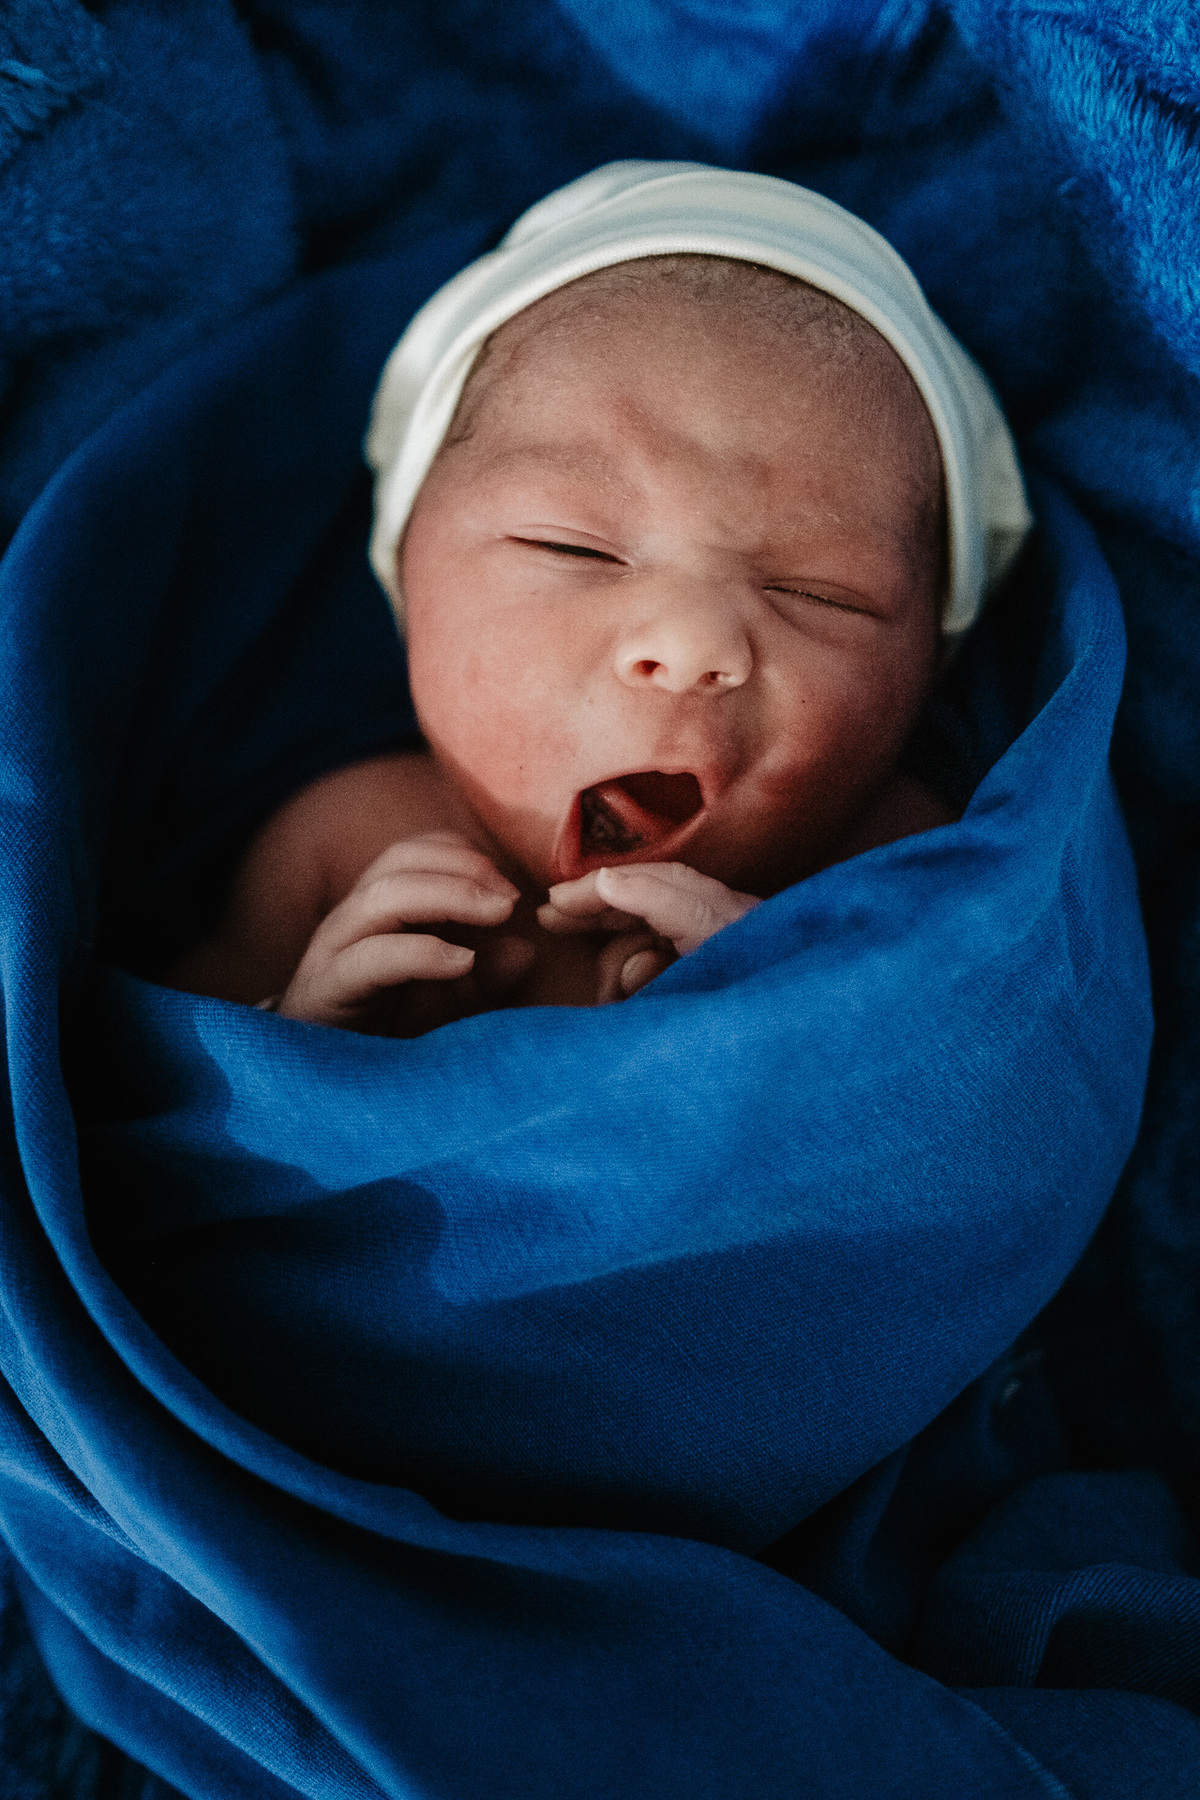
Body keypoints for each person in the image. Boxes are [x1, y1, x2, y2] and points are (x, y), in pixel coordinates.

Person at [171, 162, 1030, 1035]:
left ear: (923, 674)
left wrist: (794, 1024)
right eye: (572, 547)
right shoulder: (344, 845)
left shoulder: (906, 866)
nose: (695, 641)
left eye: (820, 594)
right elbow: (152, 1107)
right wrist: (304, 1034)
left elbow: (998, 1102)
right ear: (407, 577)